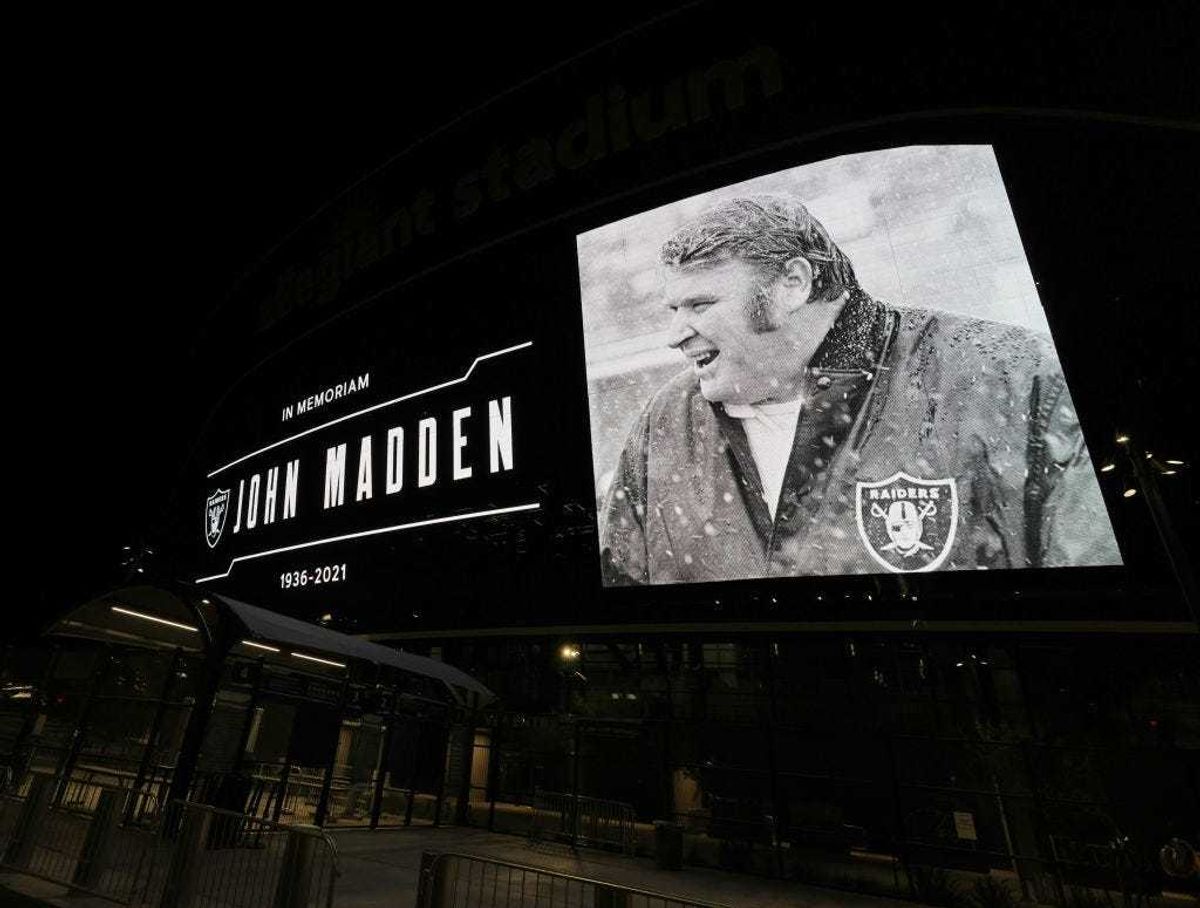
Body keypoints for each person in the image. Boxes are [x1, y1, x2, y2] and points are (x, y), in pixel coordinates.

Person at [598, 195, 1121, 584]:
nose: (675, 334)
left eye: (700, 304)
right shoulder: (664, 421)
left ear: (792, 284)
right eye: (673, 308)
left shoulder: (1014, 378)